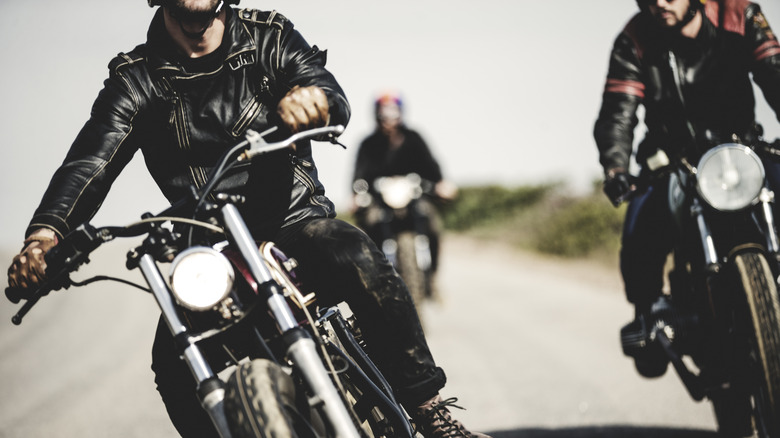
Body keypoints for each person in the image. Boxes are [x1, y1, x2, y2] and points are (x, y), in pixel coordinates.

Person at [4, 1, 489, 437]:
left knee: (358, 253)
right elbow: (91, 161)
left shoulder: (269, 37)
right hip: (210, 244)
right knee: (172, 362)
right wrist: (45, 236)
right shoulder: (137, 78)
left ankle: (427, 408)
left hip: (294, 221)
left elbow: (326, 90)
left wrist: (313, 100)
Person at [594, 0, 780, 376]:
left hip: (743, 151)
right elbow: (618, 110)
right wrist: (616, 166)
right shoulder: (635, 37)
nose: (659, 3)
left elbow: (775, 74)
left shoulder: (738, 14)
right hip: (674, 159)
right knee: (639, 229)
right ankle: (651, 317)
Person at [352, 92, 458, 292]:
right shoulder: (368, 145)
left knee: (432, 225)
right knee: (369, 227)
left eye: (393, 113)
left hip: (414, 199)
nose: (388, 119)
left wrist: (442, 185)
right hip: (380, 202)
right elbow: (358, 177)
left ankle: (433, 274)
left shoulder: (414, 139)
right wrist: (356, 196)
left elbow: (433, 169)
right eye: (383, 114)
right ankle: (373, 282)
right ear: (376, 115)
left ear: (401, 114)